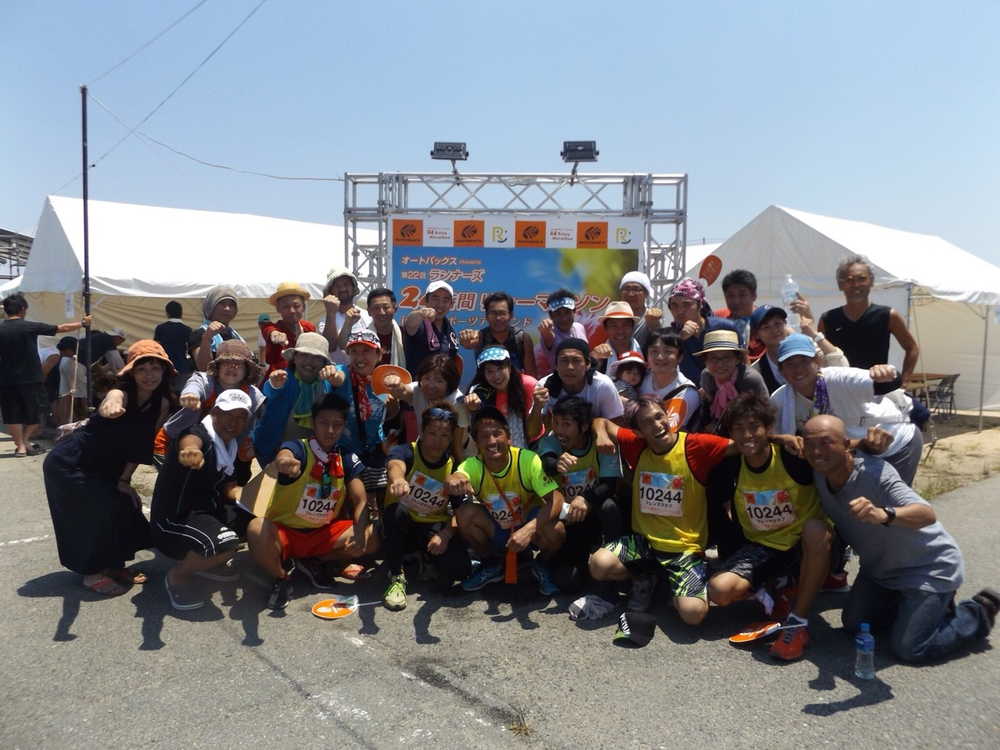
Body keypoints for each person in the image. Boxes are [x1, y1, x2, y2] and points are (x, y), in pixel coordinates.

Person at [802, 414, 997, 662]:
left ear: (846, 444)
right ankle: (919, 611)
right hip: (880, 571)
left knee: (910, 649)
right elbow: (772, 441)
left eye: (826, 442)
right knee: (854, 624)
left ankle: (976, 613)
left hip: (927, 569)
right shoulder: (818, 472)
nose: (817, 451)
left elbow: (926, 514)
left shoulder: (876, 473)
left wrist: (883, 514)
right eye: (810, 444)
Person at [588, 398, 740, 625]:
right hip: (644, 543)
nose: (657, 425)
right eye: (647, 423)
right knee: (598, 565)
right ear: (638, 432)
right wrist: (601, 435)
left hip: (684, 549)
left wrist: (783, 439)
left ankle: (674, 586)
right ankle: (644, 578)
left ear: (668, 416)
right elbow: (601, 422)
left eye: (659, 416)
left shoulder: (695, 445)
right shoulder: (636, 444)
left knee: (693, 614)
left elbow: (742, 445)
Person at [42, 340, 174, 595]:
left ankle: (113, 565)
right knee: (91, 516)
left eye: (155, 368)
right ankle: (91, 573)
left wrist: (124, 481)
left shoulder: (163, 404)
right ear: (131, 373)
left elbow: (142, 446)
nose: (149, 375)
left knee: (122, 506)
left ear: (164, 371)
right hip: (72, 463)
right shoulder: (120, 393)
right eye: (142, 369)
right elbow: (111, 400)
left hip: (105, 466)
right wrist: (110, 406)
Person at [707, 394, 831, 660]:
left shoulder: (792, 456)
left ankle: (797, 620)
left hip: (804, 545)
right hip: (763, 547)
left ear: (768, 428)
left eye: (754, 427)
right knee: (719, 591)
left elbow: (835, 451)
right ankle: (776, 588)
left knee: (815, 529)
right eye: (739, 428)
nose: (747, 435)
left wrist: (784, 439)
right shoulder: (731, 463)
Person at [246, 393, 377, 610]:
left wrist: (361, 536)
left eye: (337, 424)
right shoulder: (298, 447)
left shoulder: (345, 456)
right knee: (256, 528)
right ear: (313, 423)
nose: (330, 430)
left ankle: (316, 562)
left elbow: (360, 499)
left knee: (373, 535)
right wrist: (284, 462)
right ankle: (282, 576)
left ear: (344, 426)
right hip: (286, 533)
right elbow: (285, 454)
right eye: (324, 423)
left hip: (324, 533)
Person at [151, 390, 256, 610]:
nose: (233, 422)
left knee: (254, 519)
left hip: (204, 511)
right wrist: (190, 450)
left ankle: (207, 563)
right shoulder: (199, 435)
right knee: (228, 544)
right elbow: (190, 440)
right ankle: (177, 576)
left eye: (240, 417)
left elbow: (229, 488)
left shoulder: (230, 446)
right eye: (228, 414)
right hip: (173, 520)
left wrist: (248, 495)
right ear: (215, 412)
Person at [771, 333, 923, 486]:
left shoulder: (838, 378)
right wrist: (784, 438)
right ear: (781, 370)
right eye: (790, 364)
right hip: (853, 454)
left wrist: (886, 373)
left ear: (817, 361)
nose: (798, 369)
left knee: (889, 498)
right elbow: (769, 432)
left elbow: (886, 382)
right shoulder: (780, 399)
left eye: (804, 361)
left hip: (893, 444)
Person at [446, 407, 566, 595]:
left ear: (509, 438)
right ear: (476, 443)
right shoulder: (472, 465)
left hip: (529, 528)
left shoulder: (528, 460)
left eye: (497, 434)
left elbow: (556, 498)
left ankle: (541, 565)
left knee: (556, 529)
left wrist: (529, 529)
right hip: (498, 528)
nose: (492, 441)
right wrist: (452, 480)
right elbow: (457, 476)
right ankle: (491, 564)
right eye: (484, 436)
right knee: (465, 513)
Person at [382, 403, 472, 610]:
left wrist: (446, 535)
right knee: (397, 512)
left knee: (461, 569)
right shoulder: (405, 452)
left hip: (431, 527)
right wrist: (398, 479)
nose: (437, 441)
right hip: (400, 523)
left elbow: (461, 513)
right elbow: (395, 465)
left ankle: (420, 558)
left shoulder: (454, 467)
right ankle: (396, 576)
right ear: (422, 432)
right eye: (432, 433)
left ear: (451, 438)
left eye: (444, 435)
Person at [536, 397, 623, 578]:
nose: (559, 430)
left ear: (583, 426)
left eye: (566, 424)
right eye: (556, 423)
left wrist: (585, 498)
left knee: (610, 506)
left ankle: (616, 555)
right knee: (568, 581)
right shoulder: (551, 441)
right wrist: (556, 464)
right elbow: (547, 463)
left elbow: (609, 483)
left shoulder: (601, 444)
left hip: (595, 511)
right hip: (568, 517)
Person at [1, 292, 91, 456]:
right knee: (37, 412)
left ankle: (21, 446)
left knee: (12, 414)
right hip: (31, 378)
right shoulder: (29, 326)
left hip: (6, 379)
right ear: (23, 309)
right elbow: (60, 328)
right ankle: (25, 441)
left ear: (6, 310)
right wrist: (82, 323)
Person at [156, 340, 265, 465]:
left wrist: (247, 442)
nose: (232, 367)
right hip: (174, 442)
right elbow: (195, 385)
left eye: (239, 364)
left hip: (224, 446)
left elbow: (254, 423)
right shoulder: (206, 381)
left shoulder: (253, 395)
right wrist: (191, 395)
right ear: (218, 367)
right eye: (227, 362)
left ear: (247, 370)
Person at [819, 255, 920, 383]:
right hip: (840, 389)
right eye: (849, 280)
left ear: (871, 281)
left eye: (862, 279)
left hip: (878, 389)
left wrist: (904, 382)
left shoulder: (888, 315)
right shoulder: (828, 319)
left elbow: (912, 348)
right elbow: (817, 356)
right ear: (840, 285)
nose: (856, 285)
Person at [251, 332, 344, 466]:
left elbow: (341, 376)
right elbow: (269, 391)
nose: (309, 361)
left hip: (314, 454)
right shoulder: (283, 378)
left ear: (324, 363)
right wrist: (274, 385)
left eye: (316, 357)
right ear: (294, 358)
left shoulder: (327, 382)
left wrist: (337, 377)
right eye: (304, 355)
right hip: (275, 452)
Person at [328, 330, 399, 504]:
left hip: (375, 447)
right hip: (344, 449)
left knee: (381, 497)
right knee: (355, 498)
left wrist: (393, 406)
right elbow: (337, 377)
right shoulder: (342, 373)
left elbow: (390, 414)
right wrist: (333, 376)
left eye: (366, 351)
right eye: (354, 351)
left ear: (379, 354)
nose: (360, 357)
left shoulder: (385, 380)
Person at [383, 353, 472, 459]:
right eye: (427, 378)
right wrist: (395, 384)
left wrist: (460, 466)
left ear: (450, 383)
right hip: (427, 450)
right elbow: (403, 391)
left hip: (457, 453)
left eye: (439, 381)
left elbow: (457, 447)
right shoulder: (418, 390)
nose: (431, 385)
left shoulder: (458, 402)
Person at [750, 305, 848, 394]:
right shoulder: (756, 371)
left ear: (786, 325)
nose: (774, 330)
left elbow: (842, 367)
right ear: (757, 334)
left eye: (777, 324)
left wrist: (814, 334)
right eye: (766, 327)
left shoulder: (810, 354)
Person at [463, 346, 541, 448]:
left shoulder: (529, 385)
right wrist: (473, 408)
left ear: (509, 368)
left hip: (531, 447)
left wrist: (537, 406)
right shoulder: (478, 391)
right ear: (483, 374)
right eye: (490, 371)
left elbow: (534, 433)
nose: (496, 376)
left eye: (500, 369)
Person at [694, 329, 768, 434]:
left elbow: (764, 414)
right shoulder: (707, 376)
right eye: (713, 358)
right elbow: (707, 407)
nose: (720, 364)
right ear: (705, 361)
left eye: (726, 358)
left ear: (737, 359)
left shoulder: (749, 379)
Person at [534, 338, 624, 423]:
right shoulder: (544, 387)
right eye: (564, 360)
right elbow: (533, 432)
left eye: (576, 360)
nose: (570, 367)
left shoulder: (602, 385)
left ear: (588, 365)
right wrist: (537, 408)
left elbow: (617, 424)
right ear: (556, 365)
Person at [666, 277, 739, 381]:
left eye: (686, 304)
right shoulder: (670, 336)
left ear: (700, 304)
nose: (680, 311)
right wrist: (679, 339)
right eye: (674, 305)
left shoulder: (724, 327)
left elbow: (743, 362)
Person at [460, 291, 537, 376]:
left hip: (517, 383)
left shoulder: (522, 338)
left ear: (511, 315)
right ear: (486, 316)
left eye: (502, 313)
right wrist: (465, 339)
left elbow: (531, 375)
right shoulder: (479, 337)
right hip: (486, 383)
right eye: (493, 313)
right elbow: (467, 342)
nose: (498, 318)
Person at [638, 329, 700, 432]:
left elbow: (667, 432)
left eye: (668, 352)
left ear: (680, 357)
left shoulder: (687, 393)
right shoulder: (639, 377)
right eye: (654, 351)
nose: (660, 357)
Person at [260, 281, 317, 378]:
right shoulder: (273, 328)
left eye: (296, 306)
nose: (292, 311)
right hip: (278, 381)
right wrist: (275, 334)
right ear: (278, 309)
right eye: (286, 306)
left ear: (303, 307)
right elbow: (268, 330)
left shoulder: (309, 328)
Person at [403, 280, 460, 372]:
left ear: (451, 304)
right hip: (418, 380)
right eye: (435, 298)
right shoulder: (419, 323)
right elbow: (409, 324)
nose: (440, 304)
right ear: (426, 300)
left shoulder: (450, 330)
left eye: (445, 300)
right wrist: (421, 313)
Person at [319, 266, 372, 365]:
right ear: (331, 291)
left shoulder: (367, 316)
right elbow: (330, 347)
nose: (342, 288)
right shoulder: (325, 320)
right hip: (333, 371)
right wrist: (331, 313)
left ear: (353, 288)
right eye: (337, 286)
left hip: (361, 370)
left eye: (346, 284)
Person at [190, 286, 243, 372]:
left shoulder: (234, 335)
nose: (227, 309)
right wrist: (207, 338)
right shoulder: (200, 333)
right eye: (222, 304)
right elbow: (204, 368)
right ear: (211, 306)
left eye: (231, 305)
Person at [536, 289, 588, 377]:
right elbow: (547, 336)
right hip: (561, 381)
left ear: (574, 311)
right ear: (551, 315)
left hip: (584, 378)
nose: (564, 318)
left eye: (567, 312)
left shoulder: (579, 327)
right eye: (558, 314)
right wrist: (545, 330)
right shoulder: (550, 334)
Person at [716, 269, 763, 360]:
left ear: (754, 295)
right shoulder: (719, 321)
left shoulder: (767, 320)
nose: (736, 301)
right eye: (731, 296)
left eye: (742, 295)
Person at [618, 271, 663, 351]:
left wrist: (654, 325)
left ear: (646, 294)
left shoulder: (652, 317)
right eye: (626, 289)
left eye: (636, 289)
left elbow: (661, 344)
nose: (631, 294)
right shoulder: (611, 317)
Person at [592, 301, 641, 375]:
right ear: (606, 329)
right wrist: (595, 361)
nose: (620, 331)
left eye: (625, 325)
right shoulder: (599, 357)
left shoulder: (645, 352)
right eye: (614, 326)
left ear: (632, 327)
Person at [154, 300, 193, 392]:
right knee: (181, 392)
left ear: (167, 313)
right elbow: (190, 349)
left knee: (164, 392)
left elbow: (156, 347)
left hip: (165, 366)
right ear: (181, 313)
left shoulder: (160, 328)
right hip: (182, 366)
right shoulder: (187, 329)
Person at [365, 288, 405, 367]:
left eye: (386, 307)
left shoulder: (405, 335)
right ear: (369, 311)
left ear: (395, 309)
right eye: (376, 308)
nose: (382, 312)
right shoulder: (362, 338)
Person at [54, 336, 88, 426]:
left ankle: (63, 423)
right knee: (67, 400)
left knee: (64, 398)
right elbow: (73, 383)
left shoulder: (63, 358)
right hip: (67, 391)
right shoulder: (68, 361)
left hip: (62, 390)